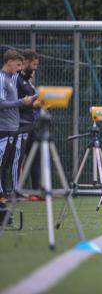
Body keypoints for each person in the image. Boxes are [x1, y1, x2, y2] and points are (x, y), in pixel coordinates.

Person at [0, 49, 35, 201]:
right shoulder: (2, 79)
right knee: (2, 162)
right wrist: (22, 102)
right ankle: (2, 194)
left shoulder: (11, 78)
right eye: (18, 64)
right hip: (4, 128)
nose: (20, 68)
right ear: (9, 62)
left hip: (12, 127)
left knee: (6, 163)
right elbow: (1, 103)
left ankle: (4, 193)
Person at [15, 49, 42, 198]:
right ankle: (15, 191)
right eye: (34, 64)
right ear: (25, 61)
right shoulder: (16, 79)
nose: (35, 67)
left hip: (31, 123)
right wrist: (35, 104)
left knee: (35, 156)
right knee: (18, 159)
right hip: (20, 124)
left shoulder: (27, 80)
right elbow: (19, 102)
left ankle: (36, 191)